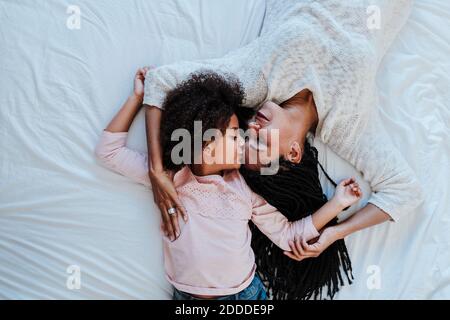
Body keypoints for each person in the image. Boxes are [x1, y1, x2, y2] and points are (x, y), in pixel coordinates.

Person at [94, 69, 362, 300]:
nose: (244, 141)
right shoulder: (169, 179)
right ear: (204, 145)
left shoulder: (243, 190)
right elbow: (109, 151)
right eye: (235, 136)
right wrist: (137, 99)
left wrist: (337, 203)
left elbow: (288, 236)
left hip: (245, 293)